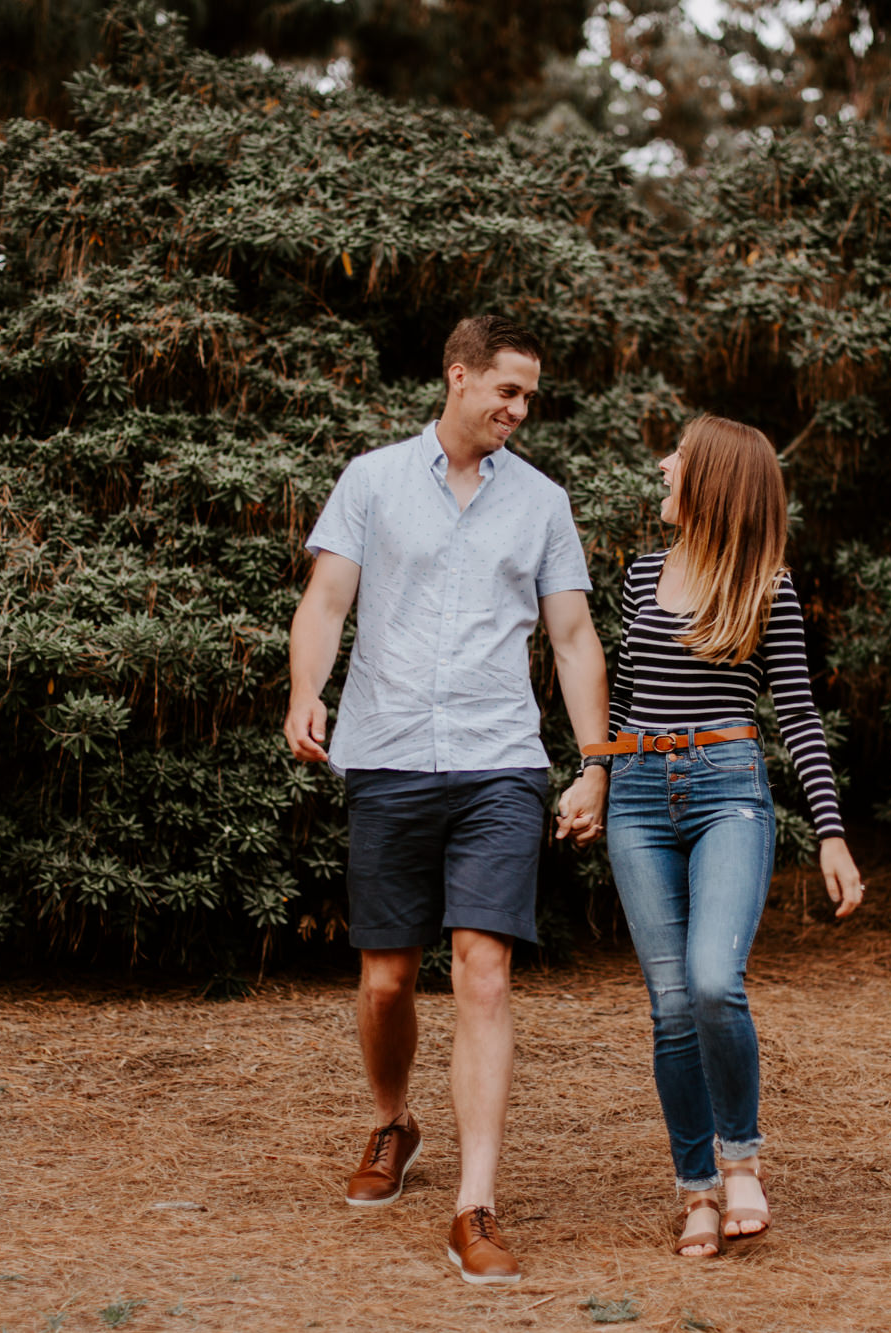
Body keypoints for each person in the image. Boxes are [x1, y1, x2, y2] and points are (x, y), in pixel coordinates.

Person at [284, 314, 611, 1286]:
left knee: (482, 973)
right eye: (505, 391)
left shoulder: (542, 503)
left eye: (528, 398)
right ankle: (393, 1123)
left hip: (498, 765)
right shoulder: (372, 480)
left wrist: (594, 760)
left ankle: (475, 1202)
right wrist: (306, 690)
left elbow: (573, 638)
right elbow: (326, 602)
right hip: (385, 756)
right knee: (385, 979)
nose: (517, 410)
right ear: (457, 376)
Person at [588, 413, 864, 1258]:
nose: (663, 465)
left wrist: (831, 831)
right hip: (636, 794)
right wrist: (593, 773)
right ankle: (695, 1189)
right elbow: (626, 698)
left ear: (712, 480)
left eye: (678, 456)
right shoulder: (639, 578)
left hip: (728, 794)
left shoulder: (765, 586)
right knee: (671, 1007)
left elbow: (799, 717)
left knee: (713, 981)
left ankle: (741, 1159)